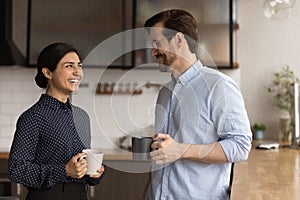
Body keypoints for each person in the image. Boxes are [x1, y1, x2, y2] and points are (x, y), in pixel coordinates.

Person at [143, 9, 252, 200]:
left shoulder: (219, 86)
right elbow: (162, 155)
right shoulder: (164, 93)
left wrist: (181, 150)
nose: (153, 52)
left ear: (178, 40)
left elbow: (240, 146)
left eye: (157, 43)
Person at [8, 42, 105, 200]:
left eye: (79, 65)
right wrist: (64, 171)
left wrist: (94, 171)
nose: (77, 72)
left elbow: (81, 164)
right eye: (69, 66)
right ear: (48, 73)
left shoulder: (82, 116)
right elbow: (16, 170)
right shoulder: (33, 117)